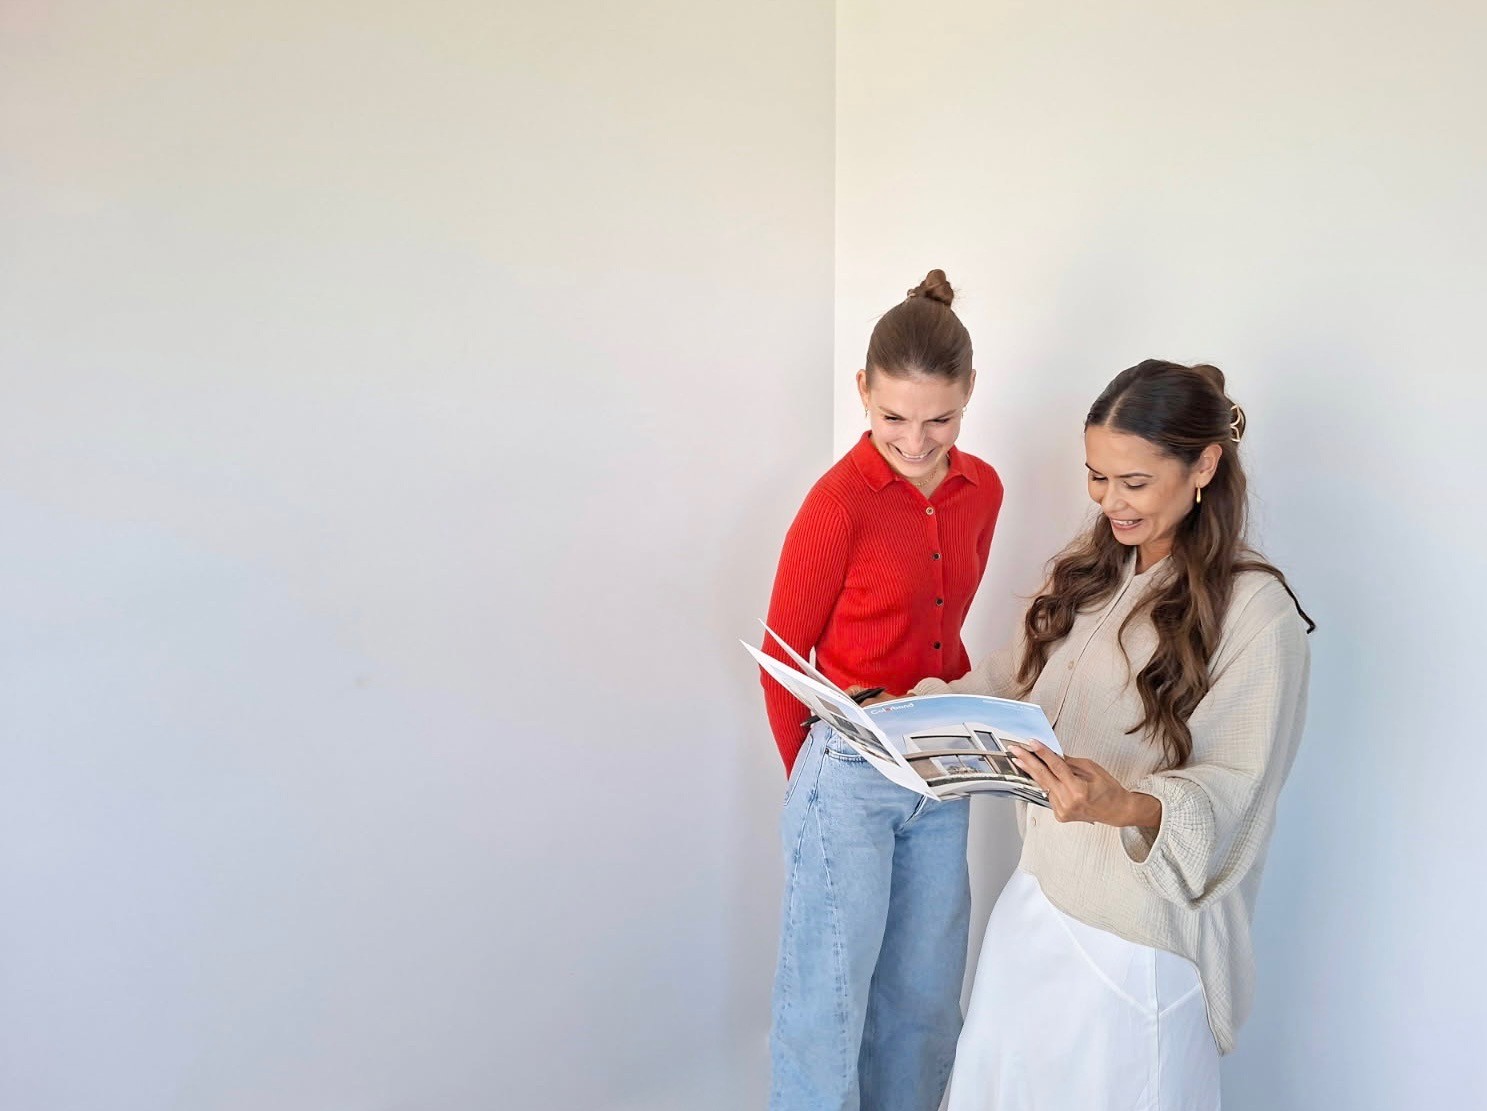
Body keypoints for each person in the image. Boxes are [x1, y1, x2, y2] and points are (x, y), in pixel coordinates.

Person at [906, 359, 1313, 1110]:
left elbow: (1237, 790)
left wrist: (1121, 804)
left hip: (1138, 949)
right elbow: (1002, 684)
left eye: (1134, 482)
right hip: (1033, 909)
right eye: (1096, 477)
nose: (1109, 501)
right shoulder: (1090, 574)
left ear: (1203, 467)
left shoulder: (1256, 613)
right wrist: (899, 714)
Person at [760, 270, 1004, 1111]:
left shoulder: (983, 490)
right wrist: (813, 783)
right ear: (861, 389)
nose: (915, 440)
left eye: (939, 419)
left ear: (968, 394)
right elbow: (781, 656)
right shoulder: (836, 504)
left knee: (926, 1003)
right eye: (893, 416)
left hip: (941, 762)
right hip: (847, 767)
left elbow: (946, 621)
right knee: (824, 1009)